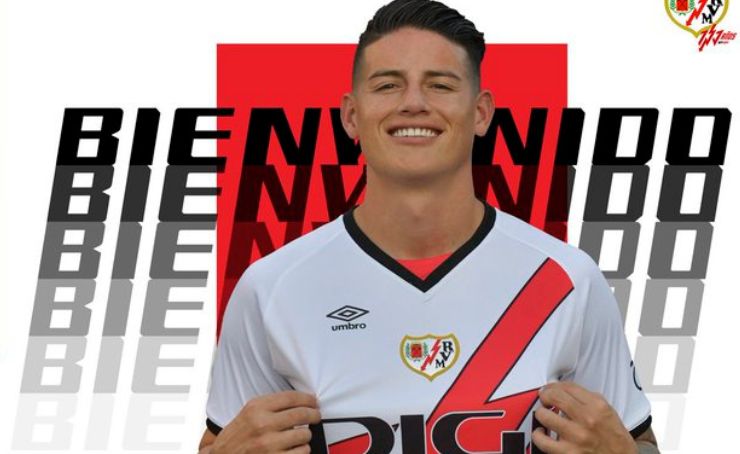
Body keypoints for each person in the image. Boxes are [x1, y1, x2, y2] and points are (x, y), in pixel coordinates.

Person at [199, 0, 660, 452]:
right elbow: (222, 441)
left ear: (481, 112)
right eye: (388, 85)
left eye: (440, 85)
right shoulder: (272, 288)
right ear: (351, 115)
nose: (414, 103)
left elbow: (638, 441)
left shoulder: (568, 279)